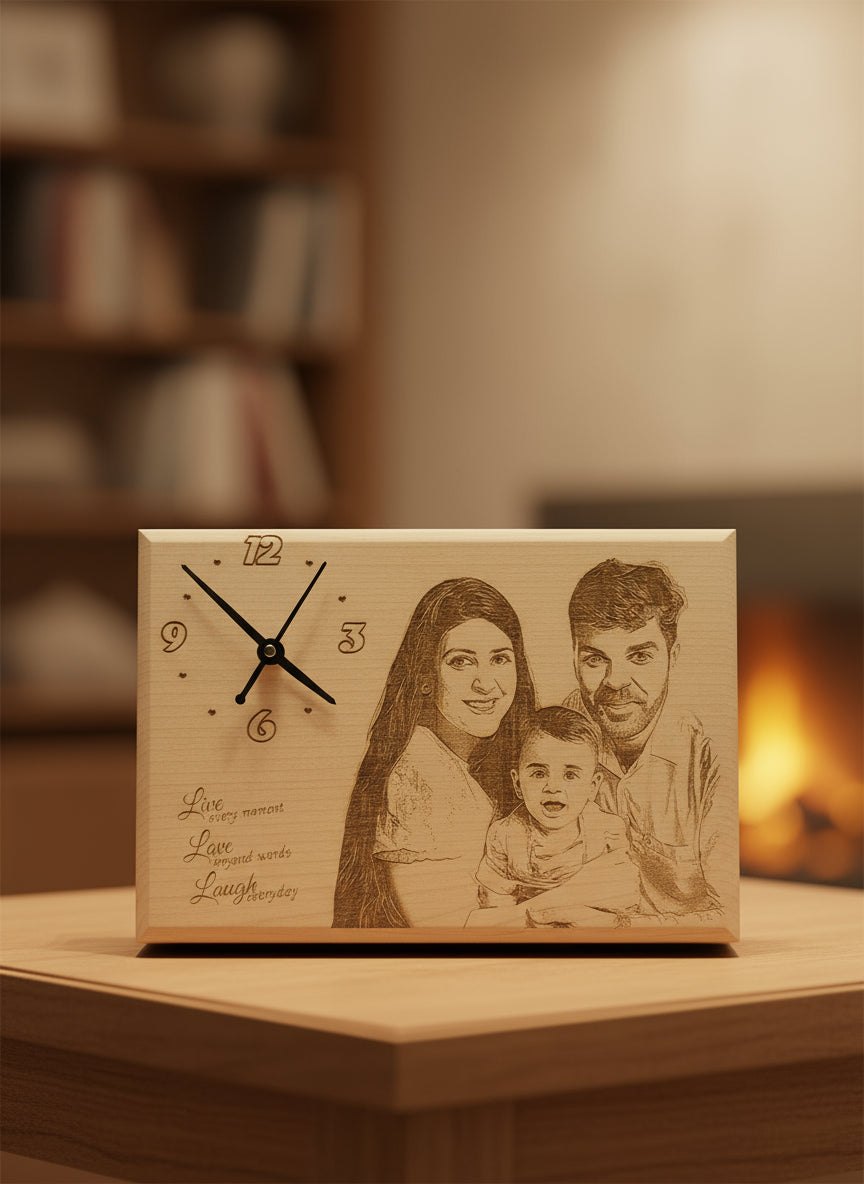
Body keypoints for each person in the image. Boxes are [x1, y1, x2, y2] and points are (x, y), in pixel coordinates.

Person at [332, 577, 536, 927]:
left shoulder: (479, 764)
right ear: (426, 676)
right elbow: (450, 928)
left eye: (500, 659)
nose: (486, 683)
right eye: (461, 662)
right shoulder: (420, 775)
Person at [530, 559, 722, 928]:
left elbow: (725, 915)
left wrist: (620, 929)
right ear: (573, 658)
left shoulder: (709, 753)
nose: (616, 681)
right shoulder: (547, 737)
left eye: (640, 656)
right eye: (595, 659)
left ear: (673, 656)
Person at [467, 706, 638, 927]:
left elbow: (624, 890)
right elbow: (494, 900)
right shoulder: (505, 834)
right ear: (518, 783)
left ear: (592, 786)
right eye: (539, 773)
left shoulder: (606, 829)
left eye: (570, 775)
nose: (553, 787)